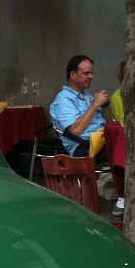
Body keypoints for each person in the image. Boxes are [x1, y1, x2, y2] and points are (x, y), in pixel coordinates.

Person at [50, 55, 120, 213]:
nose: (91, 77)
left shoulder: (87, 97)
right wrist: (95, 105)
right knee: (127, 151)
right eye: (86, 73)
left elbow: (109, 123)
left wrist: (105, 106)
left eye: (92, 73)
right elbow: (76, 130)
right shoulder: (63, 100)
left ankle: (125, 197)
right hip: (84, 146)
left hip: (102, 141)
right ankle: (124, 197)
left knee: (129, 143)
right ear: (73, 75)